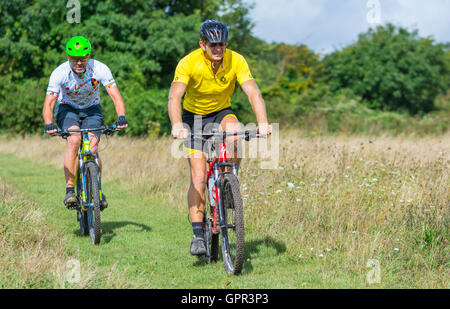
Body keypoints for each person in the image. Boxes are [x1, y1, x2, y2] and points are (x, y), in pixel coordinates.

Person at [168, 20, 272, 255]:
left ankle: (228, 185)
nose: (218, 49)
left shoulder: (236, 60)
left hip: (222, 112)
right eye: (212, 44)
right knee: (198, 175)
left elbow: (253, 93)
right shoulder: (188, 63)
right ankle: (197, 235)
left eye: (221, 44)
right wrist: (177, 125)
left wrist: (263, 122)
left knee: (235, 134)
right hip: (193, 116)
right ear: (202, 44)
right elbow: (174, 97)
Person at [42, 36, 128, 209]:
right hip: (68, 109)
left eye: (83, 58)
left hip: (91, 109)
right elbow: (49, 103)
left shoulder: (100, 69)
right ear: (69, 58)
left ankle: (98, 191)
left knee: (93, 146)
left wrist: (121, 117)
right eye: (75, 59)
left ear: (89, 56)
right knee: (74, 140)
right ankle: (69, 191)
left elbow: (115, 95)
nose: (79, 63)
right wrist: (48, 123)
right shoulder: (59, 73)